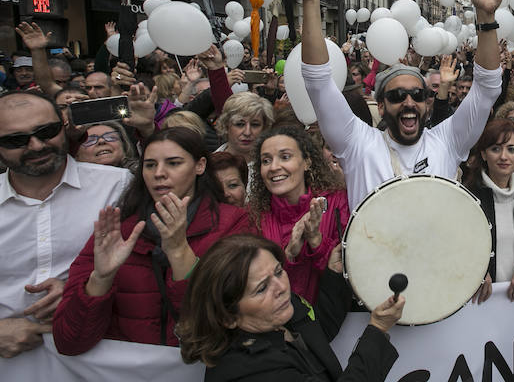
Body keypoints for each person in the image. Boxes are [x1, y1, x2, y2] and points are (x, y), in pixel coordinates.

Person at [274, 0, 514, 209]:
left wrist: (486, 17)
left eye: (417, 94)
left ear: (426, 103)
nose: (408, 101)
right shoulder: (357, 143)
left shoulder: (447, 141)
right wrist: (311, 1)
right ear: (380, 106)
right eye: (397, 96)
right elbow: (319, 83)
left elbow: (486, 88)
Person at [52, 127, 252, 354]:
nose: (159, 173)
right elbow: (69, 341)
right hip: (130, 368)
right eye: (150, 165)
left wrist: (179, 251)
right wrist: (100, 279)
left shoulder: (234, 223)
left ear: (200, 166)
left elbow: (224, 320)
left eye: (173, 163)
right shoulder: (119, 230)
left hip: (203, 366)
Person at [0, 92, 130, 361]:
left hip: (99, 358)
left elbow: (145, 269)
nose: (36, 146)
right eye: (16, 140)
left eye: (47, 132)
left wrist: (78, 289)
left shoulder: (117, 185)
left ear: (64, 126)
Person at [176, 235, 403, 382]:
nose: (281, 287)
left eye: (278, 272)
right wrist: (377, 329)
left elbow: (318, 334)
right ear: (228, 317)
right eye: (261, 288)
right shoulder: (251, 370)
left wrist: (335, 275)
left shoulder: (279, 316)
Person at [248, 127, 349, 303]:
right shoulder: (254, 217)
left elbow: (348, 272)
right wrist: (289, 254)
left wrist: (316, 241)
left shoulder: (337, 203)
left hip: (331, 314)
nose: (274, 167)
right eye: (266, 161)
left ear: (307, 162)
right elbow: (253, 284)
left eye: (285, 157)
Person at [465, 120, 514, 303]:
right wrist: (476, 271)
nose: (504, 156)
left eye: (511, 149)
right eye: (495, 149)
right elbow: (455, 248)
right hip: (478, 301)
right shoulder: (468, 197)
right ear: (483, 154)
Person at [215, 92, 275, 164]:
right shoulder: (209, 165)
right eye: (240, 124)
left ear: (264, 127)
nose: (247, 132)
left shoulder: (274, 165)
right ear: (226, 125)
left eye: (255, 125)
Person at [74, 121, 139, 171]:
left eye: (110, 137)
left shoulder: (141, 171)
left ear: (124, 146)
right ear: (76, 154)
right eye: (90, 140)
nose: (101, 141)